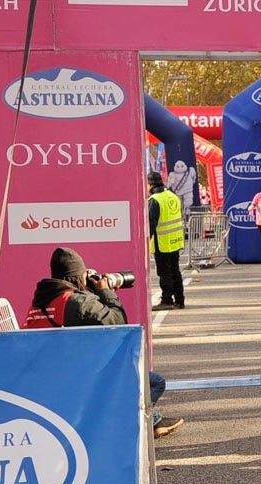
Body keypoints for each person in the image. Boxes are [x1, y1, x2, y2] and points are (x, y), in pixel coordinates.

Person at [25, 247, 183, 437]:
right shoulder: (75, 302)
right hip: (80, 381)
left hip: (48, 379)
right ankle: (130, 427)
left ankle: (154, 421)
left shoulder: (40, 302)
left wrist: (89, 292)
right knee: (155, 382)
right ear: (77, 276)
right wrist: (106, 292)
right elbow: (118, 321)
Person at [148, 171, 185, 311]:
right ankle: (180, 300)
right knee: (175, 271)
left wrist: (146, 241)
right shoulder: (173, 196)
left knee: (164, 273)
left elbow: (151, 223)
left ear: (150, 184)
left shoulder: (154, 200)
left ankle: (167, 299)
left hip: (161, 242)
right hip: (175, 240)